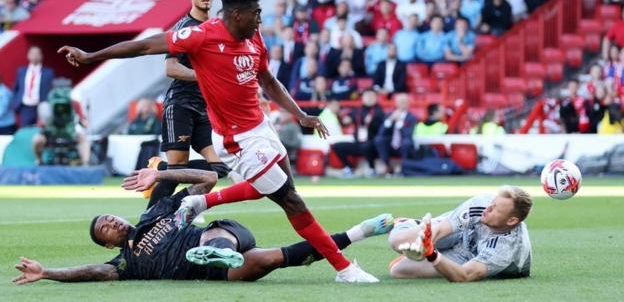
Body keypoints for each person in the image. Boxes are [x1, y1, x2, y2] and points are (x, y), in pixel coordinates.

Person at [58, 0, 378, 283]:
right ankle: (344, 268)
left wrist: (301, 115)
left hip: (261, 129)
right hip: (235, 141)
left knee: (283, 190)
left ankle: (201, 203)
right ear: (237, 14)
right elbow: (144, 46)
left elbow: (268, 81)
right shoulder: (200, 36)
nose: (260, 19)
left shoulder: (255, 38)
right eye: (256, 13)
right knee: (292, 202)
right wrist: (91, 56)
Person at [13, 168, 394, 284]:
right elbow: (92, 271)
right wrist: (48, 273)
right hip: (213, 274)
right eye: (105, 229)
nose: (111, 222)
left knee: (213, 235)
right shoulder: (124, 263)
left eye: (110, 217)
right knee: (267, 261)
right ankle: (361, 231)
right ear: (108, 244)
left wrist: (163, 173)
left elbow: (207, 179)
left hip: (224, 232)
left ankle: (221, 251)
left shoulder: (158, 210)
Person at [150, 0, 231, 206]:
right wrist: (205, 76)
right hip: (180, 105)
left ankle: (162, 170)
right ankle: (144, 227)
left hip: (204, 109)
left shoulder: (217, 28)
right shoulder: (184, 28)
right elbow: (171, 68)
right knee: (174, 175)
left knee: (220, 168)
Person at [388, 186, 533, 282]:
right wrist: (423, 244)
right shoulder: (483, 202)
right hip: (462, 231)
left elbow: (464, 275)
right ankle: (407, 223)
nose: (487, 208)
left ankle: (428, 249)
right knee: (396, 240)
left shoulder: (506, 247)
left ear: (512, 220)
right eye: (492, 203)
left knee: (398, 271)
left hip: (468, 258)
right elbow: (441, 230)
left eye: (495, 209)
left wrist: (430, 253)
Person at [332, 88, 385, 178]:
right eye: (367, 95)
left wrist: (371, 122)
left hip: (373, 144)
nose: (369, 98)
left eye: (371, 96)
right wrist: (339, 116)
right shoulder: (357, 111)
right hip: (358, 142)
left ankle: (372, 169)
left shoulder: (379, 111)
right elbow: (345, 121)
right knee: (337, 146)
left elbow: (381, 128)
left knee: (367, 146)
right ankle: (349, 167)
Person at [374, 93, 416, 177]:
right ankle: (388, 167)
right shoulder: (389, 115)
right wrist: (390, 120)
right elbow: (381, 132)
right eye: (400, 102)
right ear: (396, 103)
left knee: (407, 143)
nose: (402, 104)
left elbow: (408, 134)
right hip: (390, 143)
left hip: (403, 144)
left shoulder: (411, 117)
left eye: (404, 102)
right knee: (379, 140)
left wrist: (400, 122)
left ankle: (405, 168)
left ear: (408, 103)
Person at [12, 46, 54, 127]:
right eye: (32, 53)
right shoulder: (21, 71)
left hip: (42, 106)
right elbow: (16, 88)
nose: (34, 56)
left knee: (43, 131)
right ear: (28, 55)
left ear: (41, 56)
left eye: (37, 53)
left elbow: (52, 90)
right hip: (26, 107)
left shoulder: (48, 72)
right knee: (25, 131)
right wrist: (16, 102)